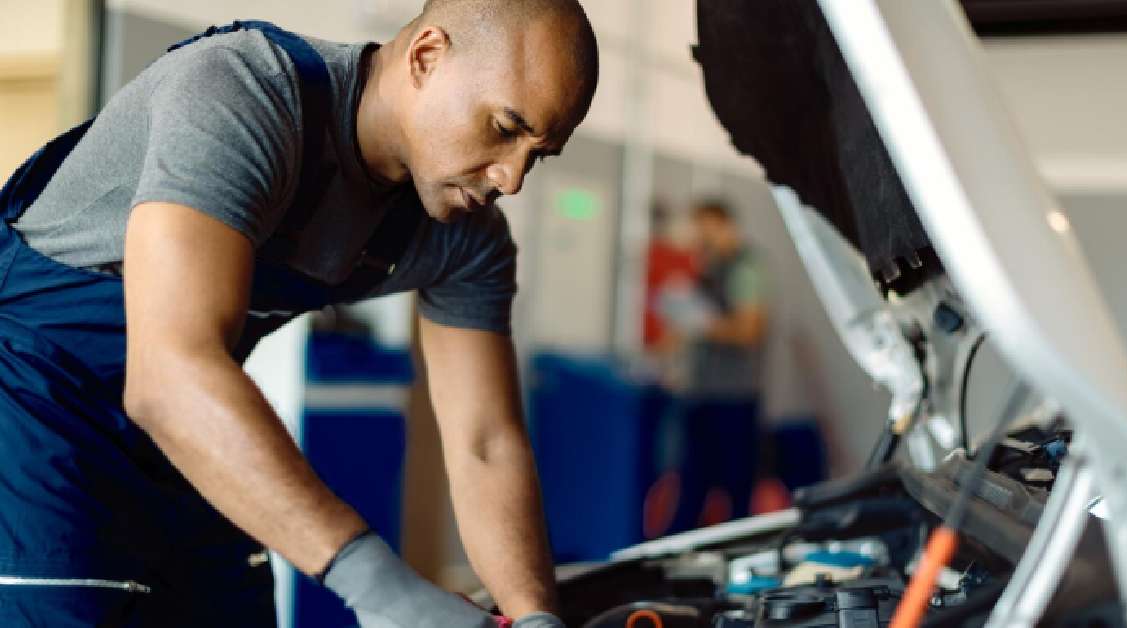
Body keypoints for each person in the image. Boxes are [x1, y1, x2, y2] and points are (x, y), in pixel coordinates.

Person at [0, 0, 597, 626]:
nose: (512, 177)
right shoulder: (243, 94)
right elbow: (170, 376)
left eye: (539, 153)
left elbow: (485, 442)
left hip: (183, 437)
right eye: (504, 127)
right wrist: (387, 590)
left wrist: (534, 616)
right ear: (426, 56)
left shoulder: (464, 236)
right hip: (34, 409)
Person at [668, 199, 769, 530]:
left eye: (705, 230)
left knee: (736, 493)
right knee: (692, 489)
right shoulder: (708, 269)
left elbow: (750, 330)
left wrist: (704, 324)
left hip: (733, 398)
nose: (699, 237)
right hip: (701, 394)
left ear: (724, 226)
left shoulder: (745, 267)